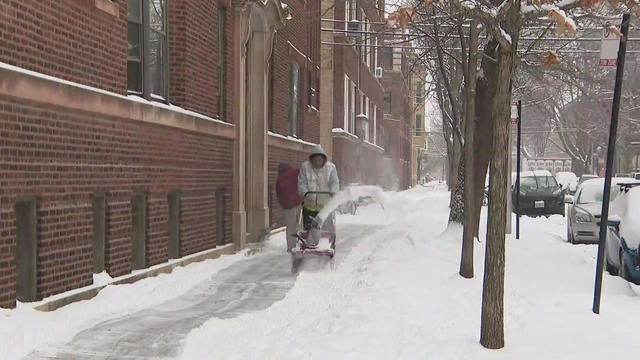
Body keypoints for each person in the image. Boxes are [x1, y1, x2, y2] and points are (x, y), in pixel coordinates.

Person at [298, 145, 340, 246]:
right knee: (309, 228)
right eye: (315, 160)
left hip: (325, 206)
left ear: (323, 159)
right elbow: (301, 182)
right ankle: (309, 244)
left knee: (326, 229)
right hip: (309, 204)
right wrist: (304, 192)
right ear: (312, 159)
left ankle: (327, 244)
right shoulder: (305, 167)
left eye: (320, 159)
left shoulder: (331, 168)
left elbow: (334, 182)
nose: (318, 162)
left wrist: (334, 191)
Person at [276, 163, 302, 252]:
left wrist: (283, 205)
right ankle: (301, 242)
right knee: (299, 224)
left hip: (289, 206)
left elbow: (279, 194)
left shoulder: (280, 178)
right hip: (299, 203)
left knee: (291, 227)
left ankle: (291, 247)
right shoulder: (296, 172)